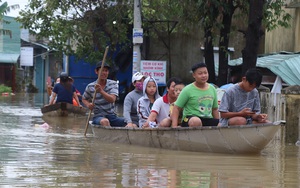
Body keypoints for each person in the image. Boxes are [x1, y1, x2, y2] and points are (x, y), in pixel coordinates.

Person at [171, 63, 219, 128]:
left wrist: (218, 123)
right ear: (194, 75)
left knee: (222, 124)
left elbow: (214, 109)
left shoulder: (212, 88)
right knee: (196, 121)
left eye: (205, 73)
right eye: (200, 73)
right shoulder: (187, 90)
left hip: (207, 118)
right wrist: (174, 126)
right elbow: (176, 108)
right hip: (189, 119)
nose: (203, 75)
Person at [82, 61, 126, 127]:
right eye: (102, 70)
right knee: (105, 121)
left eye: (106, 71)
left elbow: (112, 99)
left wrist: (101, 91)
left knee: (128, 121)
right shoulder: (90, 86)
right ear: (96, 72)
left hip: (112, 116)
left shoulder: (113, 84)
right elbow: (84, 99)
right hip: (98, 117)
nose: (104, 73)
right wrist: (88, 105)